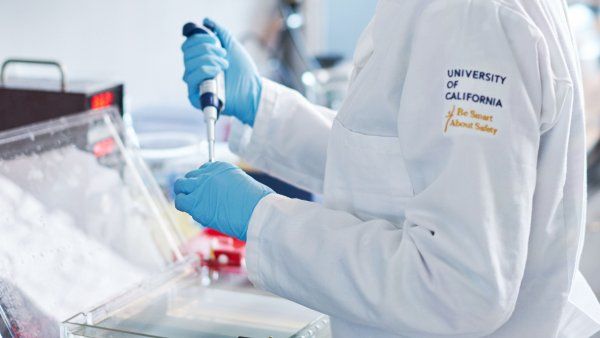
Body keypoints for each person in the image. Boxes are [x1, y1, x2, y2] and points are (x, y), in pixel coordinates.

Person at [174, 1, 600, 336]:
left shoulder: (472, 18)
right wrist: (262, 108)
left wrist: (264, 219)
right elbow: (398, 169)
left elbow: (458, 289)